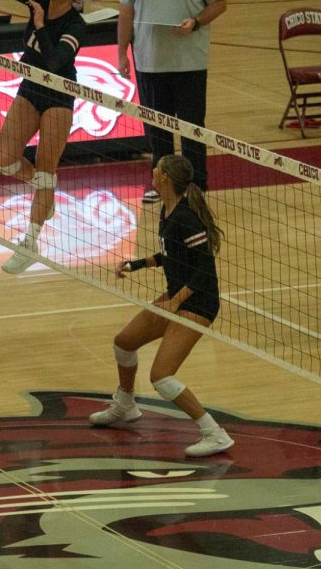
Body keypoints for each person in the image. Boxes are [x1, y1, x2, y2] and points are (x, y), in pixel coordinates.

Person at [88, 154, 234, 457]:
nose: (152, 172)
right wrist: (138, 264)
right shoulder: (168, 211)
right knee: (124, 343)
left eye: (156, 170)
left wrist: (175, 303)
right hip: (176, 298)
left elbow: (204, 270)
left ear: (165, 177)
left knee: (162, 377)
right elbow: (172, 254)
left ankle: (214, 433)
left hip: (199, 303)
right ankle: (126, 404)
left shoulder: (187, 217)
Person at [0, 0, 109, 274]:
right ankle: (43, 189)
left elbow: (54, 62)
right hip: (30, 88)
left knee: (48, 170)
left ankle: (29, 243)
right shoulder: (42, 1)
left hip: (59, 94)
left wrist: (39, 26)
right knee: (5, 160)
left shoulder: (76, 25)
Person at [118, 0, 227, 198]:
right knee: (157, 127)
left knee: (191, 126)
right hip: (150, 61)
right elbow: (126, 12)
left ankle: (196, 184)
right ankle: (161, 183)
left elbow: (219, 2)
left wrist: (197, 22)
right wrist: (121, 53)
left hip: (189, 61)